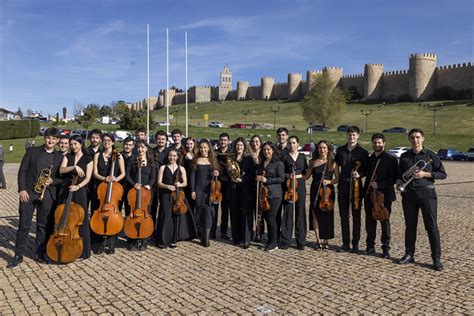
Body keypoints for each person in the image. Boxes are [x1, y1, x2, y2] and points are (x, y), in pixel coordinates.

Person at [7, 128, 63, 268]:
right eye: (49, 138)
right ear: (45, 138)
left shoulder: (59, 157)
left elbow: (62, 179)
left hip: (47, 195)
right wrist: (22, 190)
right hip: (29, 194)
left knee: (42, 226)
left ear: (57, 141)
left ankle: (40, 253)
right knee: (24, 225)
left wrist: (52, 181)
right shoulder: (32, 151)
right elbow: (22, 171)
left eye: (54, 139)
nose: (51, 141)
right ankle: (18, 255)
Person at [396, 128, 447, 271]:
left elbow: (443, 174)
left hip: (427, 195)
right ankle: (409, 254)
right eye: (412, 137)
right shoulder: (405, 156)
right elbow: (400, 175)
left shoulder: (430, 155)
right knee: (410, 226)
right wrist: (399, 182)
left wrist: (425, 174)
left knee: (431, 227)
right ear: (409, 139)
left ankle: (436, 259)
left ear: (423, 139)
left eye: (418, 137)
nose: (415, 140)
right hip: (409, 195)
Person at [58, 135, 93, 259]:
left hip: (80, 191)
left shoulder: (88, 159)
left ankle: (82, 250)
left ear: (81, 144)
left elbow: (88, 178)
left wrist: (78, 187)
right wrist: (73, 167)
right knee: (65, 218)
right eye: (71, 144)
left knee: (81, 219)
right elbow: (61, 170)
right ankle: (66, 246)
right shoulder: (67, 157)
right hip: (66, 189)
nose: (73, 147)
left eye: (75, 144)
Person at [363, 133, 398, 259]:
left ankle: (385, 248)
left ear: (384, 143)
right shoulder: (370, 158)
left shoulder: (390, 158)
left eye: (379, 143)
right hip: (369, 194)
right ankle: (370, 246)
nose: (377, 145)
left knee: (384, 220)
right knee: (370, 221)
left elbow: (394, 178)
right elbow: (367, 175)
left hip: (384, 195)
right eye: (375, 142)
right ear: (372, 143)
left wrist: (380, 184)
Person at [335, 126, 369, 253]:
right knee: (343, 216)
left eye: (354, 135)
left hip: (356, 187)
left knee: (356, 215)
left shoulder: (363, 152)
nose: (351, 137)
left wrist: (360, 175)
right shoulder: (340, 151)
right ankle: (345, 243)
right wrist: (336, 177)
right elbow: (335, 166)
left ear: (358, 136)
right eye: (349, 134)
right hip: (343, 185)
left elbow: (367, 169)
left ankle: (355, 244)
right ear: (347, 136)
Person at [91, 133, 125, 255]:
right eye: (104, 140)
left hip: (113, 189)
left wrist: (116, 179)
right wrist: (104, 178)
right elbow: (95, 173)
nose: (106, 142)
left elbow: (123, 173)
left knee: (112, 218)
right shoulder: (97, 155)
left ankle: (111, 244)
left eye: (109, 140)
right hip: (99, 188)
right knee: (98, 217)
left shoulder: (118, 156)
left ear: (113, 142)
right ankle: (98, 244)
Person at [156, 149, 196, 248]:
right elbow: (159, 183)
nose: (172, 158)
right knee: (165, 215)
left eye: (174, 156)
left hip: (177, 195)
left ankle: (173, 240)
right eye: (170, 156)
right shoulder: (163, 167)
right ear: (167, 156)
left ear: (177, 157)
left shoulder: (181, 168)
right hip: (166, 194)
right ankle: (163, 240)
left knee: (175, 215)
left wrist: (179, 184)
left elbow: (185, 183)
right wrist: (167, 186)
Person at [305, 140, 339, 251]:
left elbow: (337, 179)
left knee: (327, 216)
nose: (322, 150)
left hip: (327, 191)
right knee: (315, 214)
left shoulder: (333, 162)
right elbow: (306, 177)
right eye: (320, 148)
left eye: (324, 148)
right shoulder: (312, 162)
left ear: (328, 149)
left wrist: (329, 182)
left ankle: (326, 240)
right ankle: (318, 240)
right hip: (315, 189)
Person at [125, 140, 155, 251]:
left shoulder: (150, 161)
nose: (140, 150)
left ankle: (144, 239)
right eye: (138, 147)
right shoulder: (132, 160)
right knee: (132, 214)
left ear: (146, 148)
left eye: (142, 147)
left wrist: (149, 185)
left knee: (145, 215)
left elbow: (153, 177)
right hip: (134, 191)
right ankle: (132, 239)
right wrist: (134, 184)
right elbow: (127, 175)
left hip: (146, 193)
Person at [256, 141, 285, 252]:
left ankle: (274, 243)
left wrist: (267, 180)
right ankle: (270, 241)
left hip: (275, 195)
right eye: (264, 150)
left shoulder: (278, 163)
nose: (266, 151)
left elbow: (281, 178)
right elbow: (259, 175)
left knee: (271, 218)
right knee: (267, 218)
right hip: (264, 194)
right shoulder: (262, 163)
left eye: (268, 149)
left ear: (273, 150)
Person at [191, 139, 220, 247]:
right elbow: (193, 176)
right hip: (198, 189)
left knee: (208, 213)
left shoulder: (213, 160)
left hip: (210, 191)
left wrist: (217, 173)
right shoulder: (196, 160)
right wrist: (193, 190)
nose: (203, 149)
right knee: (200, 213)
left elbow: (217, 173)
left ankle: (206, 238)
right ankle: (201, 234)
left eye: (205, 147)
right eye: (201, 147)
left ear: (208, 148)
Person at [280, 136, 308, 250]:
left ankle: (301, 240)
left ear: (298, 144)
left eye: (294, 143)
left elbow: (305, 171)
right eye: (290, 143)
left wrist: (300, 176)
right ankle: (286, 240)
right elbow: (281, 172)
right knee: (288, 211)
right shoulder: (284, 156)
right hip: (288, 185)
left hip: (300, 184)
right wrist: (288, 175)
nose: (292, 145)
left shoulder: (302, 156)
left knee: (300, 211)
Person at [228, 137, 255, 248]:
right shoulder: (232, 158)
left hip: (245, 189)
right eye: (237, 145)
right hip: (234, 188)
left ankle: (246, 239)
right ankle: (236, 238)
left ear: (244, 147)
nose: (239, 147)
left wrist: (243, 180)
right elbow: (228, 173)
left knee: (246, 214)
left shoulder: (248, 159)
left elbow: (251, 174)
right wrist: (229, 171)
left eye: (241, 145)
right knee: (234, 213)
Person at [213, 133, 231, 239]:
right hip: (216, 184)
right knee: (214, 208)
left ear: (228, 141)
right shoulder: (214, 153)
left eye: (225, 140)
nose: (223, 142)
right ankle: (213, 231)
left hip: (227, 184)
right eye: (221, 140)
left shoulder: (231, 154)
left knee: (225, 209)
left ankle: (223, 231)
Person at [151, 130, 170, 226]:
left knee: (164, 209)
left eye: (163, 139)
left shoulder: (170, 152)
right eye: (159, 139)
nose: (161, 141)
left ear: (166, 141)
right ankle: (151, 229)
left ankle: (161, 231)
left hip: (165, 184)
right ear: (155, 140)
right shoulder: (150, 152)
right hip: (153, 184)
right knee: (152, 208)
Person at [120, 136, 135, 216]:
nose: (127, 146)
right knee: (118, 207)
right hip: (119, 186)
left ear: (133, 146)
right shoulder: (119, 156)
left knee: (129, 209)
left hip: (130, 186)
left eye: (130, 145)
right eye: (126, 144)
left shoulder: (136, 158)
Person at [183, 137, 197, 212]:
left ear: (194, 144)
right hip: (185, 180)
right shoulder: (183, 154)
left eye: (191, 144)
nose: (189, 146)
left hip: (194, 180)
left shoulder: (197, 154)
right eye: (187, 144)